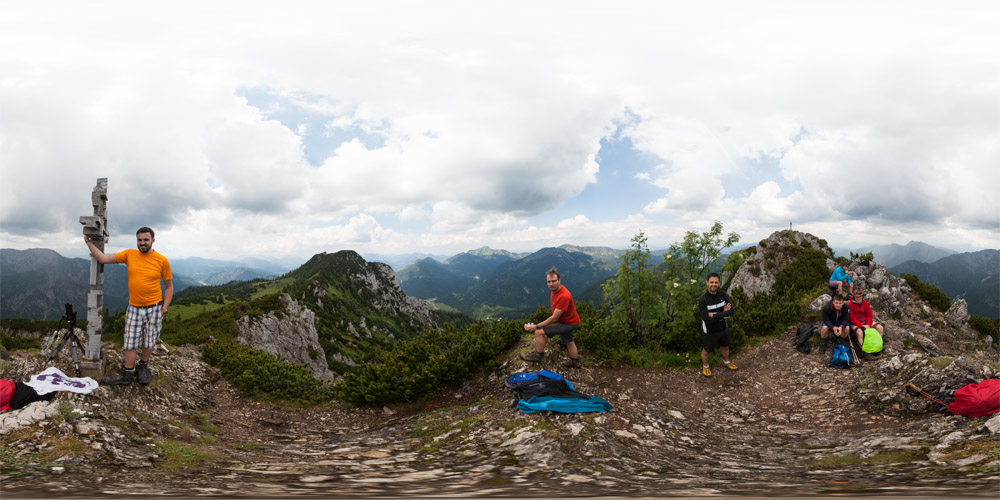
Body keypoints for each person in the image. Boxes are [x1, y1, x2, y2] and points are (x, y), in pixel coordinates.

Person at [84, 227, 172, 386]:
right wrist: (89, 243)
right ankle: (128, 374)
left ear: (153, 240)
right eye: (139, 240)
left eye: (146, 239)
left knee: (149, 341)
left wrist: (164, 308)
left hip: (154, 307)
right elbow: (103, 259)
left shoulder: (162, 260)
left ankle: (143, 366)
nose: (142, 243)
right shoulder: (129, 254)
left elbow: (169, 287)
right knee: (130, 342)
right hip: (134, 307)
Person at [519, 267, 582, 368]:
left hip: (568, 323)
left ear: (559, 280)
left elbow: (554, 318)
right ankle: (575, 361)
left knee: (538, 332)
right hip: (570, 321)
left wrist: (537, 326)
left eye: (553, 281)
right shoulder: (556, 290)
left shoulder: (564, 296)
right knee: (569, 341)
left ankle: (539, 356)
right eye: (549, 282)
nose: (551, 284)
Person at [698, 272, 738, 377]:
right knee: (707, 349)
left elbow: (731, 312)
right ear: (707, 283)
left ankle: (726, 362)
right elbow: (706, 319)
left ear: (719, 283)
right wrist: (723, 313)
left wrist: (715, 315)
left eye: (716, 282)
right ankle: (705, 367)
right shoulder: (703, 300)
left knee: (725, 346)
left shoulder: (723, 295)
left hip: (722, 327)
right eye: (711, 282)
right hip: (710, 330)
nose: (713, 284)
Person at [848, 289, 883, 361]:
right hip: (855, 323)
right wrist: (861, 325)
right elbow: (851, 318)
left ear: (862, 296)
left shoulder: (865, 303)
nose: (858, 298)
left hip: (866, 322)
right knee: (859, 333)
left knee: (880, 328)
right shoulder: (850, 304)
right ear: (854, 296)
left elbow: (869, 315)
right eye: (856, 296)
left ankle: (877, 345)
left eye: (860, 296)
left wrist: (867, 324)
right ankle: (864, 352)